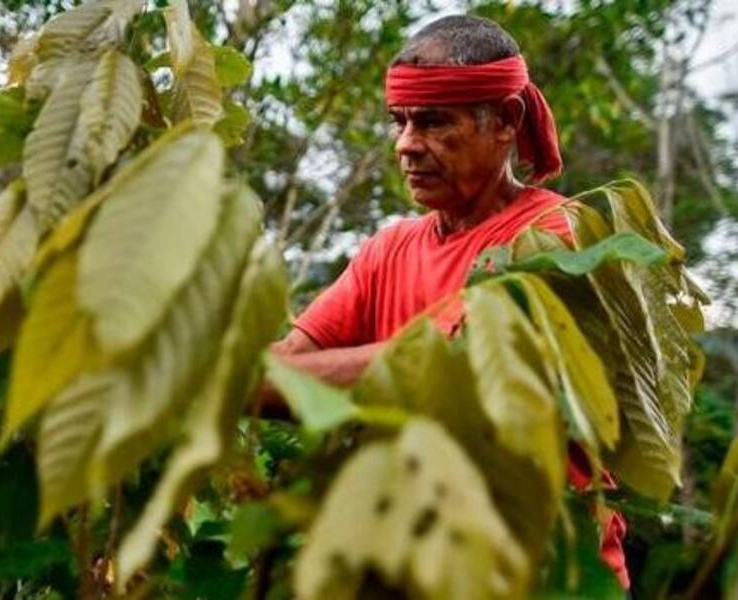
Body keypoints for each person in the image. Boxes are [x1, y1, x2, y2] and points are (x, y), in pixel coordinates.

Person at [266, 14, 631, 589]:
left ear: (507, 121)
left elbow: (439, 367)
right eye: (400, 122)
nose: (407, 145)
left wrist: (228, 379)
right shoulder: (387, 250)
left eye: (434, 122)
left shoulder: (557, 236)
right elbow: (289, 360)